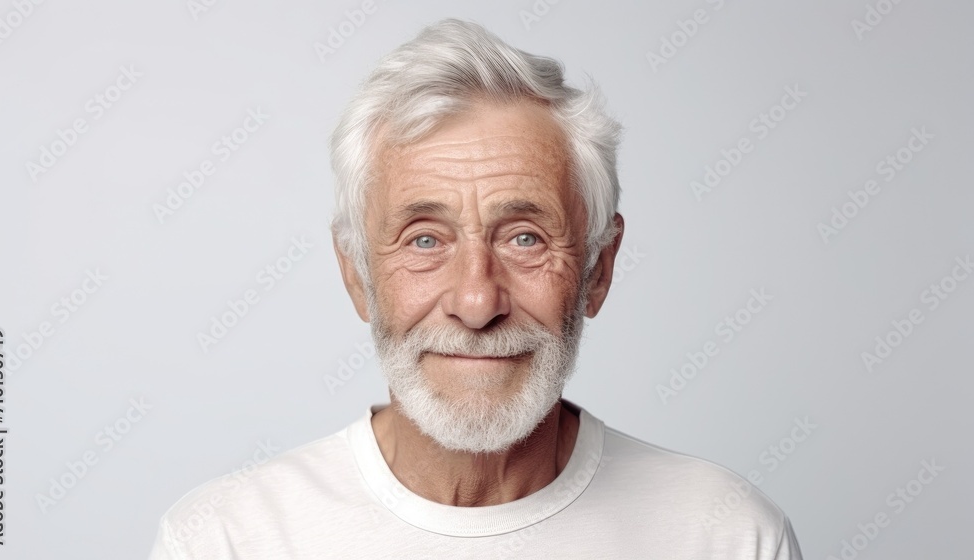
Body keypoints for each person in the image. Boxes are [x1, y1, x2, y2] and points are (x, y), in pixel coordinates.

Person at [148, 18, 803, 559]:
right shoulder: (225, 540)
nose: (477, 302)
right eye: (425, 240)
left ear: (598, 269)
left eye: (524, 238)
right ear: (357, 274)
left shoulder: (725, 535)